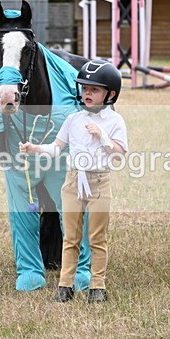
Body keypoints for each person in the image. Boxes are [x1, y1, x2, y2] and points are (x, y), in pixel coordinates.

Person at [19, 60, 128, 303]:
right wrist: (34, 148)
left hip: (99, 183)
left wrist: (103, 137)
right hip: (72, 182)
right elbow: (57, 148)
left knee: (97, 237)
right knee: (70, 236)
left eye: (94, 90)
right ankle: (65, 284)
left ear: (110, 94)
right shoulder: (73, 120)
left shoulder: (114, 122)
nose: (87, 94)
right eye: (85, 89)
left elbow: (120, 154)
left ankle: (97, 284)